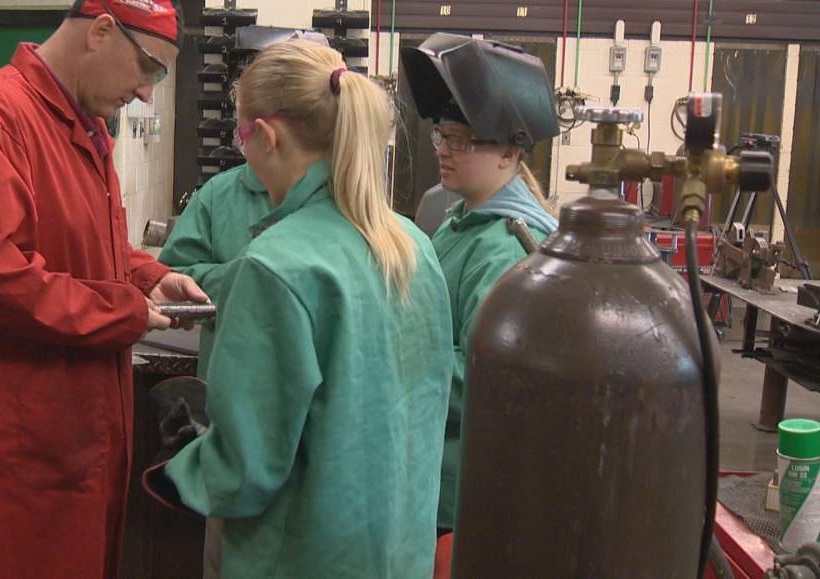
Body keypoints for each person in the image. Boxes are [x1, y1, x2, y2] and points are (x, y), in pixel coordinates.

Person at [0, 0, 209, 578]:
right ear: (102, 30)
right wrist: (119, 311)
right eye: (149, 68)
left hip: (69, 442)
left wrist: (147, 274)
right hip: (8, 456)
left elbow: (82, 244)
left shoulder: (84, 128)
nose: (149, 93)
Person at [144, 39, 455, 578]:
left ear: (265, 135)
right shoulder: (411, 247)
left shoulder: (275, 267)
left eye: (243, 139)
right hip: (397, 551)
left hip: (301, 554)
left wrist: (183, 467)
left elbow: (245, 470)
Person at [399, 33, 561, 546]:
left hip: (460, 485)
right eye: (441, 136)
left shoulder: (506, 248)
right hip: (437, 467)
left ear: (510, 152)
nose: (444, 150)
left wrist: (384, 365)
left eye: (461, 141)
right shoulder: (462, 219)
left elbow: (481, 377)